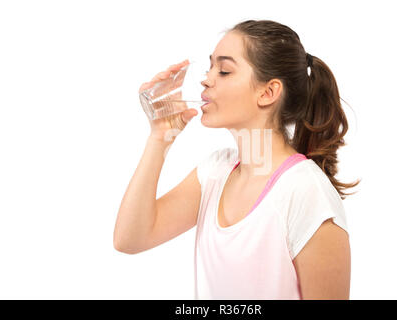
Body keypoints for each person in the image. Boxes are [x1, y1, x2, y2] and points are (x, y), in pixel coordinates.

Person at [113, 19, 360, 300]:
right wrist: (160, 137)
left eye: (224, 70)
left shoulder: (306, 191)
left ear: (268, 93)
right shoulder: (215, 172)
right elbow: (130, 238)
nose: (206, 79)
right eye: (210, 68)